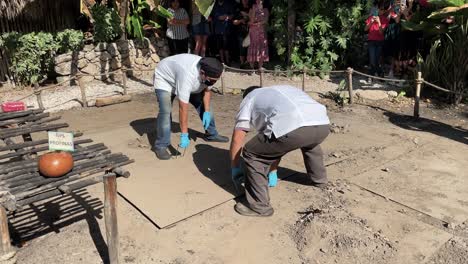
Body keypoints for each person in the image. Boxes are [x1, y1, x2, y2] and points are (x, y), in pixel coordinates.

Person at [229, 85, 330, 217]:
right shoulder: (280, 91)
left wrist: (235, 166)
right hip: (322, 124)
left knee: (251, 152)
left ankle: (259, 206)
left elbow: (238, 138)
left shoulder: (249, 98)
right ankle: (320, 180)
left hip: (294, 125)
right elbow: (274, 144)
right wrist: (273, 169)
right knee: (311, 142)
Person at [153, 54, 229, 160]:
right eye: (211, 80)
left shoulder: (211, 71)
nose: (213, 83)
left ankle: (211, 134)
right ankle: (161, 145)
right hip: (165, 80)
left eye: (215, 80)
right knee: (165, 111)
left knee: (205, 106)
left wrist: (206, 111)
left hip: (188, 82)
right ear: (202, 73)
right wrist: (184, 134)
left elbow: (207, 91)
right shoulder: (187, 75)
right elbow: (183, 108)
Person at [365, 3, 389, 80]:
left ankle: (374, 75)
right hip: (371, 40)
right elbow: (365, 29)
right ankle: (378, 74)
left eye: (382, 9)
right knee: (372, 59)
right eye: (379, 9)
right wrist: (371, 22)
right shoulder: (371, 17)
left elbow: (381, 32)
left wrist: (379, 22)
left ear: (384, 11)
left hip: (379, 41)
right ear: (377, 9)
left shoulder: (385, 20)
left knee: (377, 59)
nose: (380, 11)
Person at [247, 0, 269, 70]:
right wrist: (254, 10)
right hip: (253, 32)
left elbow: (265, 21)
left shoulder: (265, 10)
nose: (259, 1)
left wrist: (257, 23)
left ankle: (260, 67)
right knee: (252, 46)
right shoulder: (251, 9)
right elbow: (252, 20)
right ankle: (252, 68)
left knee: (261, 47)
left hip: (261, 31)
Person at [211, 0, 234, 65]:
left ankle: (227, 61)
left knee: (226, 46)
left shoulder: (228, 4)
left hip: (226, 29)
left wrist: (227, 17)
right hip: (217, 29)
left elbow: (232, 15)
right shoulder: (214, 6)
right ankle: (222, 61)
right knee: (220, 46)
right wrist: (219, 17)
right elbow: (212, 17)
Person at [232, 0, 250, 67]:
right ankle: (242, 64)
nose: (245, 1)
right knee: (241, 48)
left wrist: (247, 16)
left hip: (250, 32)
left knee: (250, 48)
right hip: (240, 32)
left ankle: (248, 63)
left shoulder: (251, 8)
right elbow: (234, 22)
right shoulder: (238, 9)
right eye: (243, 0)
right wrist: (240, 21)